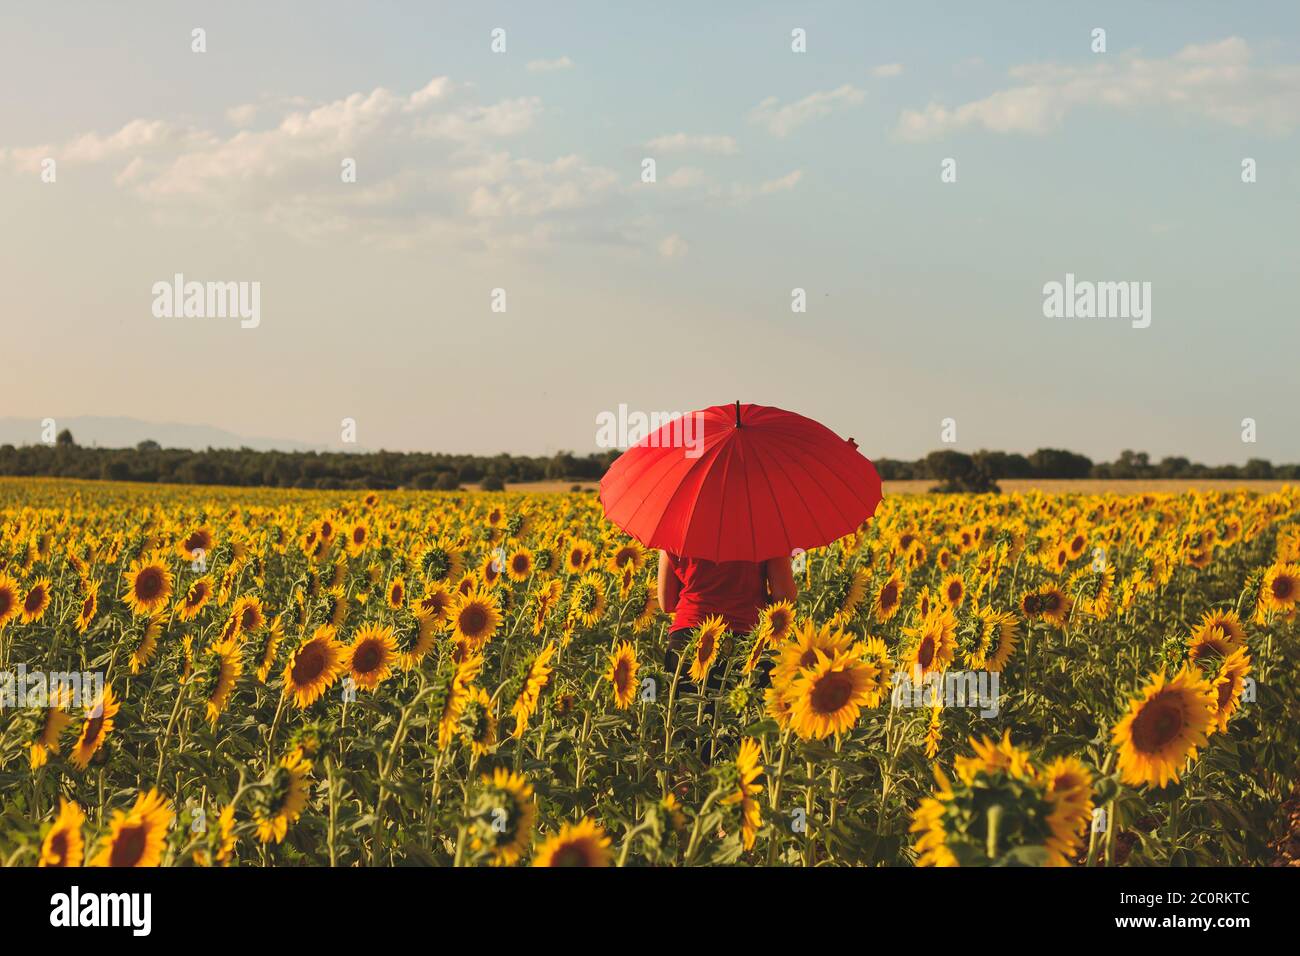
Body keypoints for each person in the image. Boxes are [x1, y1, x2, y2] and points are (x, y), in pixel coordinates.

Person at [657, 550, 798, 688]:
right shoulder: (766, 530)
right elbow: (784, 597)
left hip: (687, 641)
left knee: (685, 710)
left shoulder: (678, 529)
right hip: (747, 645)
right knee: (743, 707)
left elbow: (666, 603)